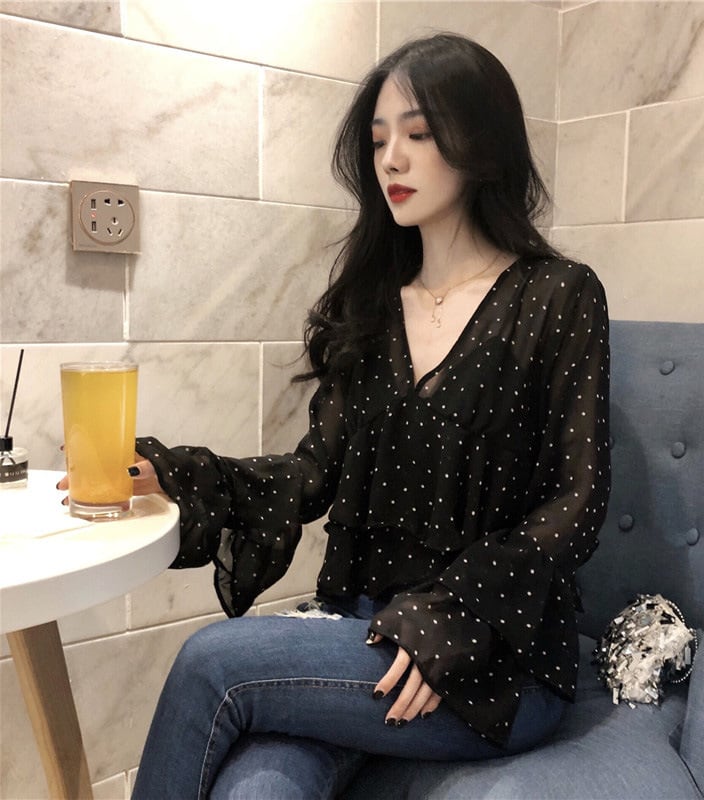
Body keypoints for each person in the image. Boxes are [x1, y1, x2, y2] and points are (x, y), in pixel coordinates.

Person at [110, 32, 609, 799]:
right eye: (379, 141)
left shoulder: (558, 295)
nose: (392, 160)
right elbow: (316, 470)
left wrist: (455, 610)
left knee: (212, 664)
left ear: (481, 142)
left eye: (419, 134)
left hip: (492, 651)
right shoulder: (373, 307)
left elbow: (577, 502)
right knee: (261, 792)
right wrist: (178, 476)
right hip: (363, 630)